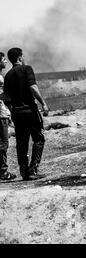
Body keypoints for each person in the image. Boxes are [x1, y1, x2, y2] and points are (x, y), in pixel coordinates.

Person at [3, 48, 49, 181]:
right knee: (38, 139)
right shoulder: (27, 69)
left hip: (17, 113)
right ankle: (33, 169)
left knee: (21, 143)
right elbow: (32, 87)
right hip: (30, 111)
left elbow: (6, 97)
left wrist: (13, 111)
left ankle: (24, 172)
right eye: (23, 56)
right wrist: (43, 103)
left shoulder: (8, 75)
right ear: (20, 57)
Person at [0, 52, 16, 181]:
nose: (5, 61)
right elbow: (2, 97)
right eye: (3, 59)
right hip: (1, 114)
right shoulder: (0, 78)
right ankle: (3, 171)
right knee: (3, 143)